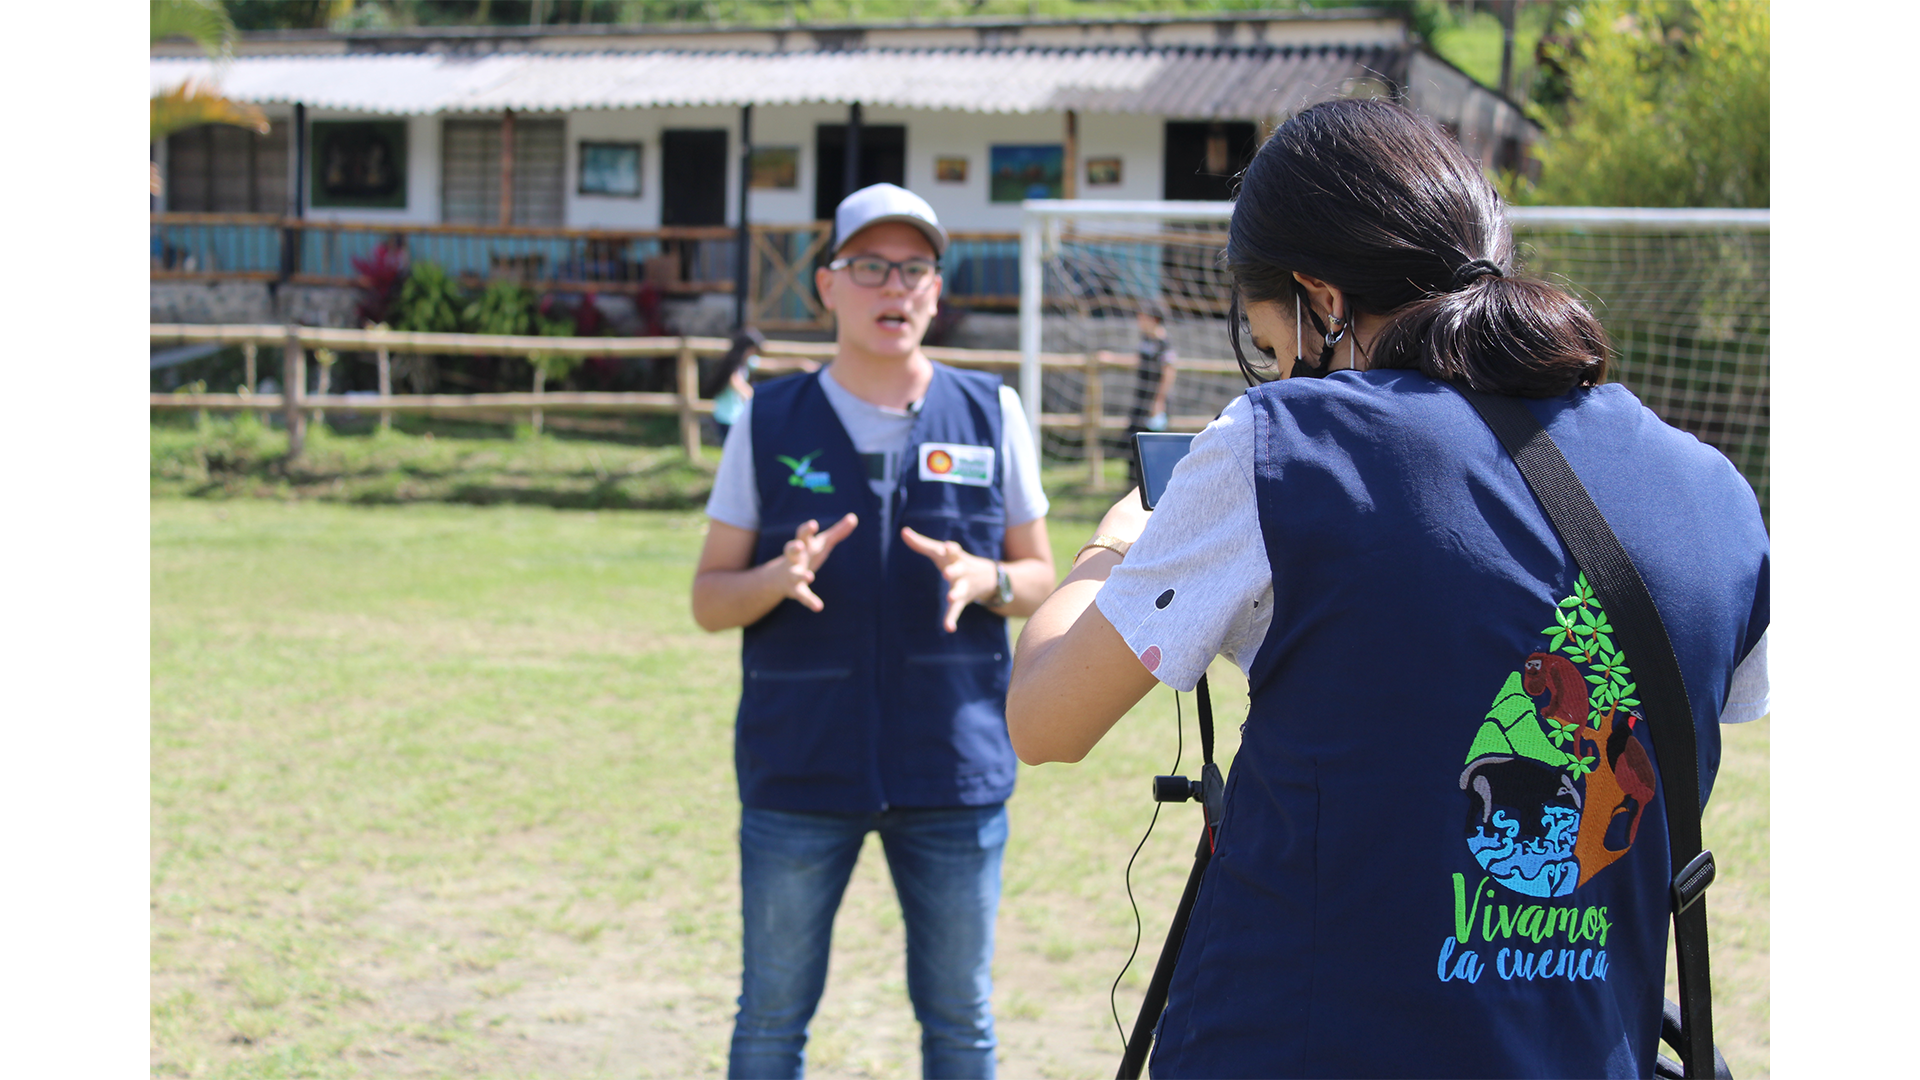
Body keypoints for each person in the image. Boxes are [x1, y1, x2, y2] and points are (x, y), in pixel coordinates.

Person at [1004, 100, 1767, 1079]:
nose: (1277, 374)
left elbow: (1044, 721)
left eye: (1268, 341)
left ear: (1321, 301)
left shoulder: (1283, 447)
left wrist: (1111, 547)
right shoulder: (1716, 493)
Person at [691, 182, 1055, 1079]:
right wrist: (774, 579)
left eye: (914, 268)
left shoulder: (988, 411)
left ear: (936, 288)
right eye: (869, 267)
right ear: (827, 284)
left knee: (961, 1023)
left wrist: (989, 579)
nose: (894, 287)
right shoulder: (768, 420)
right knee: (770, 1020)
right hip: (798, 765)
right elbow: (707, 598)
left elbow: (1044, 577)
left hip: (953, 763)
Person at [1097, 300, 1178, 490]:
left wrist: (1158, 401)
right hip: (1140, 402)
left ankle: (1154, 490)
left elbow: (1169, 371)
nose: (1139, 320)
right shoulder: (1146, 341)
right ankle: (1132, 489)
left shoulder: (1164, 344)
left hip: (1153, 405)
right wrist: (1112, 358)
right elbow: (1138, 360)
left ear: (1154, 319)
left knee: (1152, 448)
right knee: (1132, 444)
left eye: (1143, 316)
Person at [706, 328, 765, 444]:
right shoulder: (734, 366)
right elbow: (737, 383)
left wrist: (798, 363)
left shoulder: (744, 362)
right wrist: (758, 397)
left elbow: (773, 365)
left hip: (733, 416)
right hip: (728, 417)